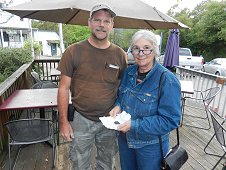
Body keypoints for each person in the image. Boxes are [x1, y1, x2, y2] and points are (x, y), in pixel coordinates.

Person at [57, 4, 127, 170]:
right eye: (97, 20)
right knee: (80, 164)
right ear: (89, 23)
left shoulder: (119, 54)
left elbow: (123, 88)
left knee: (107, 163)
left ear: (112, 25)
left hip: (110, 121)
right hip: (81, 119)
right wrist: (64, 122)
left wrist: (119, 109)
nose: (101, 25)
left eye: (106, 21)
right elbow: (63, 89)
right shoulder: (73, 51)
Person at [109, 30, 181, 170]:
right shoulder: (128, 72)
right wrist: (118, 105)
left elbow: (170, 120)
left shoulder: (167, 80)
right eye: (136, 48)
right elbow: (121, 97)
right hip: (125, 141)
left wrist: (134, 125)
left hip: (150, 147)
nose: (141, 53)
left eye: (146, 48)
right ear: (132, 51)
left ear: (155, 50)